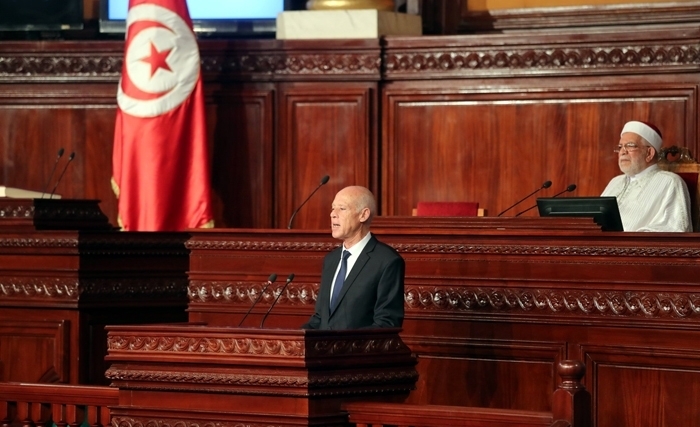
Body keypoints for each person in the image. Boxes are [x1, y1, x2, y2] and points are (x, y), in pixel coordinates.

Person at [302, 185, 405, 330]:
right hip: (324, 351)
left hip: (357, 351)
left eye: (342, 208)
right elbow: (321, 317)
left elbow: (387, 323)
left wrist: (343, 344)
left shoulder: (387, 261)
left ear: (363, 215)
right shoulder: (331, 260)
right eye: (333, 208)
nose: (333, 214)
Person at [601, 120, 691, 232]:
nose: (622, 152)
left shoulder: (670, 182)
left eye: (630, 146)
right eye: (620, 147)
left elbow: (676, 229)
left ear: (649, 153)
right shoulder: (615, 182)